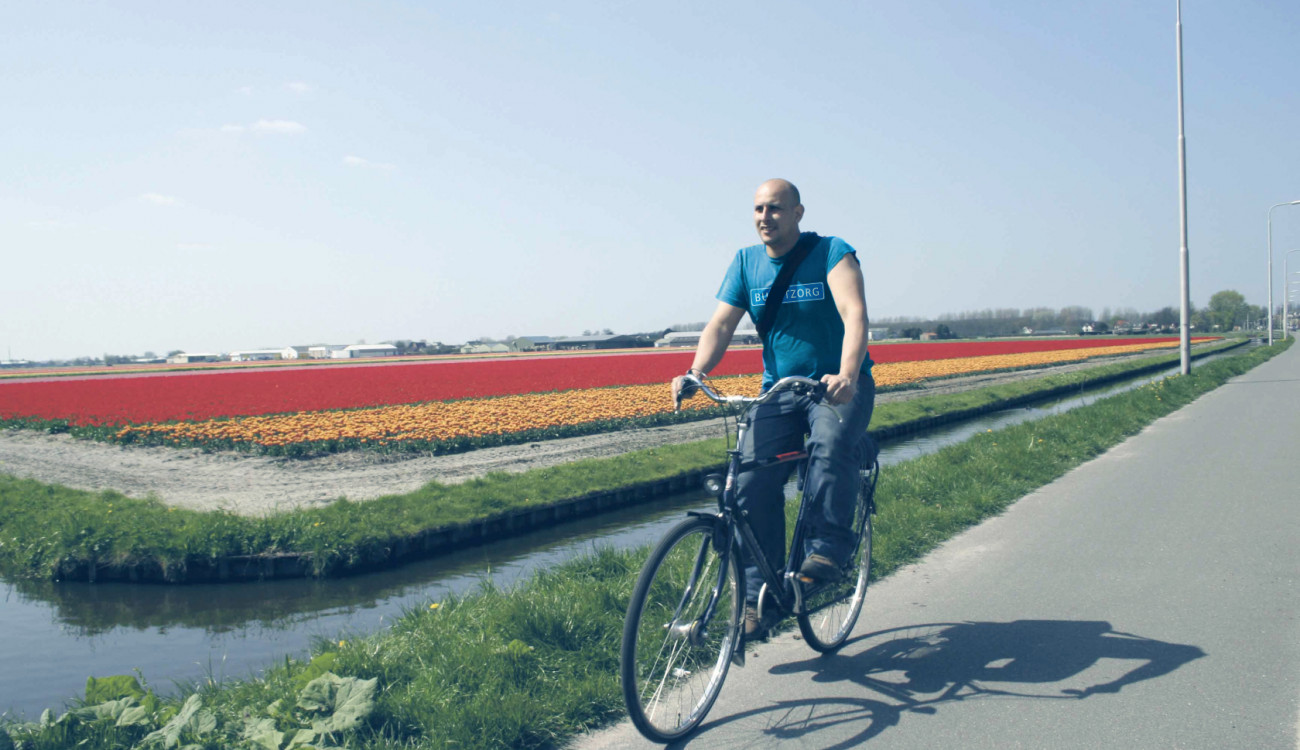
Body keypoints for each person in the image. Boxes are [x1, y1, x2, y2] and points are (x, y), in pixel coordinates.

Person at [671, 178, 875, 641]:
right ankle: (759, 598)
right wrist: (696, 371)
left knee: (829, 443)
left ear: (798, 213)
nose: (766, 217)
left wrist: (847, 374)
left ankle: (827, 549)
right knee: (747, 480)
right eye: (759, 209)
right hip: (778, 390)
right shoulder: (746, 263)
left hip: (835, 387)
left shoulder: (831, 252)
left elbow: (854, 314)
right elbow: (721, 325)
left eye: (776, 208)